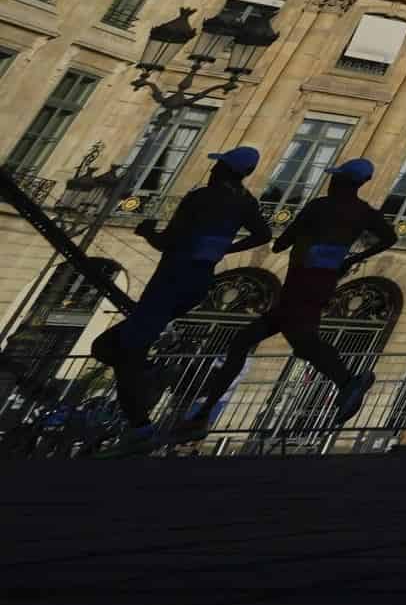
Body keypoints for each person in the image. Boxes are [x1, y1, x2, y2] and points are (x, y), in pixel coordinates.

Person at [180, 156, 394, 438]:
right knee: (248, 341)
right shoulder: (363, 212)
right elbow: (389, 237)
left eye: (334, 178)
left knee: (301, 343)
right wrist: (354, 257)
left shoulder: (320, 206)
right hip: (322, 281)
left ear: (340, 180)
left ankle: (348, 381)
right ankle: (204, 412)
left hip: (301, 281)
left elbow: (283, 242)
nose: (330, 182)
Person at [88, 145, 270, 451]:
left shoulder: (201, 198)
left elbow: (168, 241)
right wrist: (224, 249)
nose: (212, 170)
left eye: (218, 166)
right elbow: (263, 235)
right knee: (114, 348)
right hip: (197, 284)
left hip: (170, 280)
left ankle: (140, 425)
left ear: (224, 170)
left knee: (120, 352)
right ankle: (145, 387)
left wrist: (147, 232)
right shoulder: (245, 202)